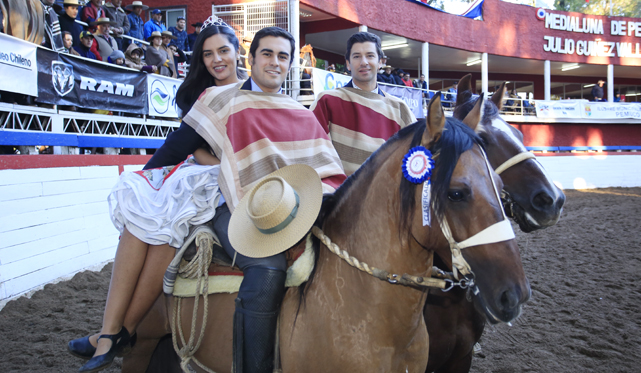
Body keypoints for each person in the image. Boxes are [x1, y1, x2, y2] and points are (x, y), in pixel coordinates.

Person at [68, 21, 345, 373]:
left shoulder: (300, 112)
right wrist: (149, 179)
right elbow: (179, 147)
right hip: (235, 200)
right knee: (265, 264)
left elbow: (324, 167)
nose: (275, 62)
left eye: (282, 56)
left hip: (290, 204)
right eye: (267, 54)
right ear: (253, 58)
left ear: (290, 64)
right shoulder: (220, 98)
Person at [311, 32, 416, 176]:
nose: (364, 62)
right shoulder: (327, 101)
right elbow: (312, 152)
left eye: (370, 56)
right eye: (356, 56)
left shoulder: (400, 109)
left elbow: (415, 156)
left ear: (380, 62)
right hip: (338, 195)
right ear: (348, 64)